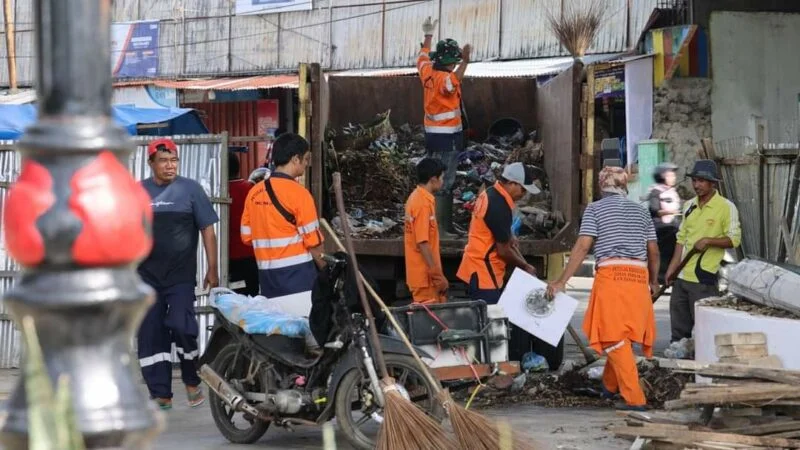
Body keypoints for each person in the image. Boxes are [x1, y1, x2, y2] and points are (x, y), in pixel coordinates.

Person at [547, 166, 659, 411]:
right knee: (623, 336)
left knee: (612, 337)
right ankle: (609, 387)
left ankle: (635, 399)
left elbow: (582, 246)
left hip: (612, 277)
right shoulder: (641, 211)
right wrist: (653, 281)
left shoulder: (595, 209)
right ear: (624, 185)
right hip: (639, 277)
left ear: (601, 186)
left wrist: (561, 281)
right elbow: (653, 250)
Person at [137, 137, 219, 411]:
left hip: (180, 277)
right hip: (146, 277)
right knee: (151, 333)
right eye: (163, 161)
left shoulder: (191, 190)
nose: (170, 165)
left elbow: (208, 229)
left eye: (174, 160)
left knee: (182, 326)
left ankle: (191, 378)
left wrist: (213, 268)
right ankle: (160, 393)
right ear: (151, 163)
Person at [456, 162, 539, 361]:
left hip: (478, 266)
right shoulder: (498, 205)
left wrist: (511, 239)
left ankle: (487, 363)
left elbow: (503, 238)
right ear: (512, 183)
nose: (523, 195)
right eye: (523, 189)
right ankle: (489, 366)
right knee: (489, 325)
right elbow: (503, 250)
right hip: (484, 272)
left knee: (485, 321)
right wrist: (524, 266)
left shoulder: (491, 194)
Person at [241, 133, 327, 299]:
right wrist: (326, 270)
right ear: (295, 159)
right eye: (306, 159)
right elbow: (313, 242)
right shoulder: (300, 194)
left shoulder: (254, 193)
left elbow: (246, 237)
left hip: (267, 279)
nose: (307, 164)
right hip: (299, 278)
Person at [666, 159, 741, 343]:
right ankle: (679, 358)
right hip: (681, 276)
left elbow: (734, 240)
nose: (696, 185)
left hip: (703, 278)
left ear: (712, 183)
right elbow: (681, 240)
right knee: (678, 332)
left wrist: (708, 241)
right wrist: (672, 269)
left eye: (701, 181)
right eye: (694, 180)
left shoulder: (726, 207)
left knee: (704, 332)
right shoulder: (689, 205)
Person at [418, 16, 471, 238]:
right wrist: (466, 62)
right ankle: (440, 228)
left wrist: (428, 35)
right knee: (444, 180)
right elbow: (452, 83)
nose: (455, 65)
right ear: (450, 62)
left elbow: (422, 56)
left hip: (433, 136)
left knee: (435, 176)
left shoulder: (427, 71)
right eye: (455, 62)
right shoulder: (443, 78)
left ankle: (445, 225)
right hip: (446, 137)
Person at [404, 158, 448, 304]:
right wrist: (437, 276)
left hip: (421, 275)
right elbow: (422, 242)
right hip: (425, 278)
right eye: (442, 178)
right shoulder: (422, 204)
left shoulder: (417, 197)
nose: (443, 181)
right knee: (430, 316)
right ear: (433, 179)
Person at [227, 151, 259, 296]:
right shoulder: (251, 189)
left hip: (225, 256)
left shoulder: (216, 191)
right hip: (250, 254)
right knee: (250, 297)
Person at [647, 162, 682, 284]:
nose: (673, 178)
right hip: (661, 229)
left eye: (673, 175)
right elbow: (654, 210)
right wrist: (671, 212)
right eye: (670, 175)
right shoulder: (656, 191)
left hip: (673, 227)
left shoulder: (672, 191)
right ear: (662, 176)